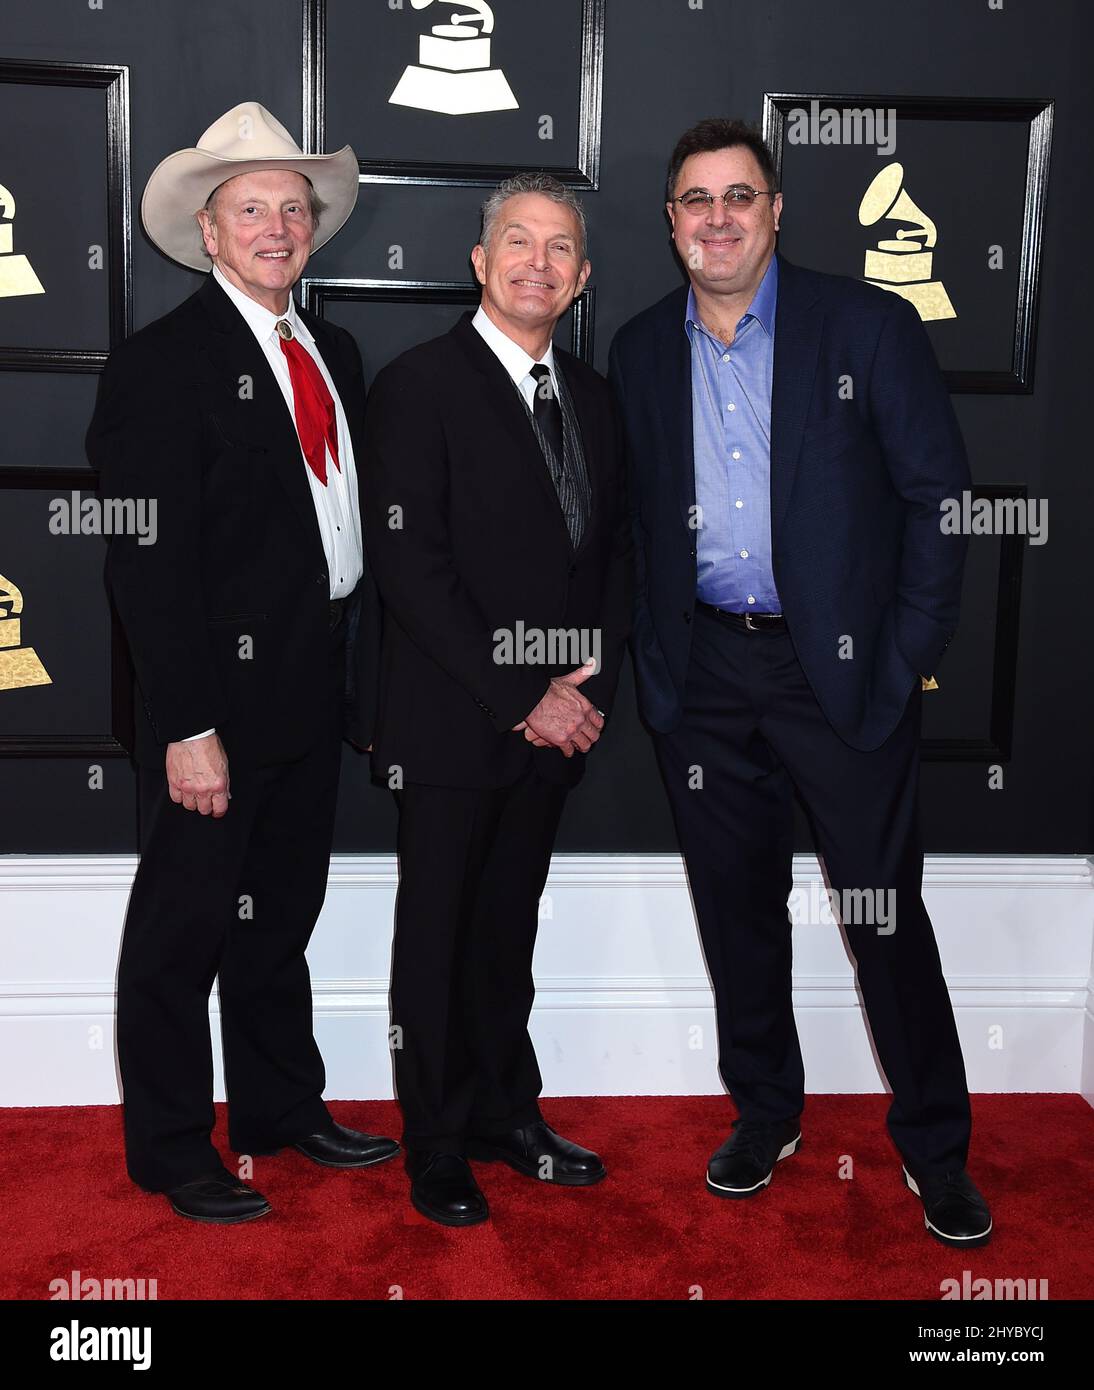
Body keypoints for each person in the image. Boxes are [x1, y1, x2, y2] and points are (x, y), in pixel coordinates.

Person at [609, 117, 991, 1248]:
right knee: (735, 914)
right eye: (694, 200)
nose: (716, 217)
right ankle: (766, 1112)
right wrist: (653, 664)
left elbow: (938, 501)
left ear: (774, 211)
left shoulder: (866, 325)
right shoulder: (638, 349)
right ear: (670, 223)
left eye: (738, 196)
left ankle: (935, 1146)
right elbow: (629, 528)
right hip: (704, 677)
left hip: (840, 676)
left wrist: (899, 662)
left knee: (883, 923)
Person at [86, 101, 397, 1224]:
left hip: (314, 677)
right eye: (250, 208)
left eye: (293, 208)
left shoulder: (334, 349)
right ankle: (170, 1148)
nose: (277, 225)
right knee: (185, 928)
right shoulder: (160, 366)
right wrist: (185, 724)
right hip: (212, 698)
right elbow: (145, 567)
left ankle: (276, 1107)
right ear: (207, 232)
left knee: (279, 917)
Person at [361, 173, 630, 1227]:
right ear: (479, 263)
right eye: (516, 242)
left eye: (558, 248)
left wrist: (579, 686)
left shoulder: (595, 397)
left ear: (582, 276)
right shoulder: (416, 385)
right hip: (450, 722)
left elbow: (611, 559)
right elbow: (410, 568)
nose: (536, 263)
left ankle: (502, 1114)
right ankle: (433, 1145)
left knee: (503, 932)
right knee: (434, 936)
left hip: (557, 726)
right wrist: (527, 693)